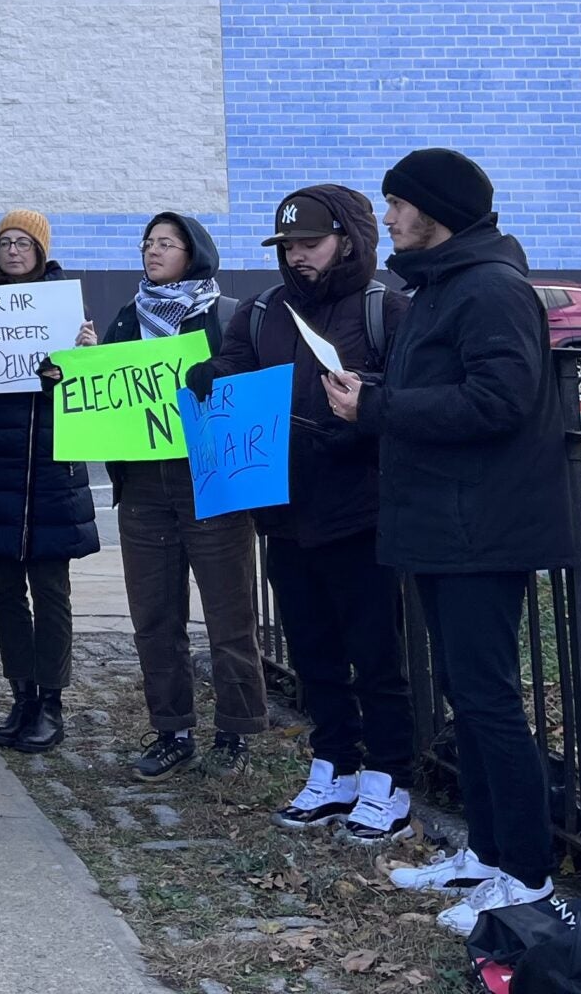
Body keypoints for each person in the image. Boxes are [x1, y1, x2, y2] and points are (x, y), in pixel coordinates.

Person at [324, 149, 569, 932]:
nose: (388, 218)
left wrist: (379, 409)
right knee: (469, 696)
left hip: (481, 528)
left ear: (437, 210)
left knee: (490, 701)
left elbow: (497, 400)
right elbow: (439, 392)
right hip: (444, 522)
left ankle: (526, 876)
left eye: (397, 204)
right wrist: (378, 398)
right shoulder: (441, 284)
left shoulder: (491, 288)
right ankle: (487, 855)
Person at [201, 187, 414, 840]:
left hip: (361, 511)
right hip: (286, 514)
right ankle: (334, 764)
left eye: (310, 244)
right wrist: (208, 376)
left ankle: (390, 775)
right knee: (314, 649)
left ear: (346, 241)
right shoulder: (264, 311)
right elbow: (234, 372)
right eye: (288, 246)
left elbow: (408, 397)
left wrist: (361, 422)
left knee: (376, 653)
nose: (297, 257)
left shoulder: (384, 309)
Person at [96, 211, 265, 778]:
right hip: (143, 485)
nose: (152, 251)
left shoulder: (226, 315)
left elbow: (248, 380)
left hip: (211, 479)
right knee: (153, 614)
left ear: (193, 252)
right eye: (147, 243)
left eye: (165, 243)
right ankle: (172, 729)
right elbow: (106, 394)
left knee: (228, 611)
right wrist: (80, 365)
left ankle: (235, 733)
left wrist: (216, 373)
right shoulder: (125, 319)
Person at [0, 208, 97, 755]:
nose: (13, 252)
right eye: (4, 244)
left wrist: (80, 359)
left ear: (41, 251)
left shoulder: (67, 313)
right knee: (3, 592)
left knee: (50, 590)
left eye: (23, 243)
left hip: (51, 467)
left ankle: (51, 700)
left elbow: (92, 397)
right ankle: (21, 693)